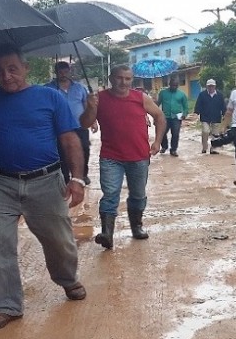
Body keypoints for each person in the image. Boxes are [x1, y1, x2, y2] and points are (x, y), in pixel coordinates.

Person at [0, 44, 89, 331]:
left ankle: (67, 279)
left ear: (26, 68)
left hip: (45, 183)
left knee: (59, 242)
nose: (6, 76)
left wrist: (78, 179)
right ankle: (7, 305)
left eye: (12, 69)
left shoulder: (50, 97)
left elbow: (70, 140)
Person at [80, 65, 166, 250]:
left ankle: (136, 226)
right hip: (111, 157)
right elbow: (85, 123)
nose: (123, 82)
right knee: (110, 194)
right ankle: (107, 233)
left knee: (138, 194)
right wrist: (90, 107)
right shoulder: (99, 99)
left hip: (139, 156)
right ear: (111, 78)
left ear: (132, 80)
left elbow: (159, 116)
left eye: (127, 79)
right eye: (119, 78)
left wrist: (157, 141)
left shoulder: (140, 98)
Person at [44, 61, 96, 185]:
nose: (63, 74)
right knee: (62, 152)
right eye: (60, 72)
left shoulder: (80, 88)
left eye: (66, 71)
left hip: (79, 125)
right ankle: (65, 176)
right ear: (56, 73)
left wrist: (93, 121)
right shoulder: (48, 88)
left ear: (70, 72)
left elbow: (86, 105)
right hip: (59, 127)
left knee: (84, 149)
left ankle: (82, 175)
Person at [157, 78, 188, 156]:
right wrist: (156, 115)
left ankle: (173, 150)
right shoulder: (163, 93)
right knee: (162, 133)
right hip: (165, 117)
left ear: (178, 86)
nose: (174, 87)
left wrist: (184, 114)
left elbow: (185, 106)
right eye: (173, 85)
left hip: (176, 118)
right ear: (169, 84)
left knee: (175, 134)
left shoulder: (182, 94)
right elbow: (157, 104)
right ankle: (164, 147)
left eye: (176, 85)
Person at [194, 79, 226, 154]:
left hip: (216, 117)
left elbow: (223, 106)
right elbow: (198, 104)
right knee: (205, 131)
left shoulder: (219, 95)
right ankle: (204, 147)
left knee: (215, 134)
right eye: (209, 86)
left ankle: (213, 149)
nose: (211, 87)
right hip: (205, 117)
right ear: (207, 86)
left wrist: (224, 114)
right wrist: (196, 113)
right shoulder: (202, 94)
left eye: (212, 86)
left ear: (215, 86)